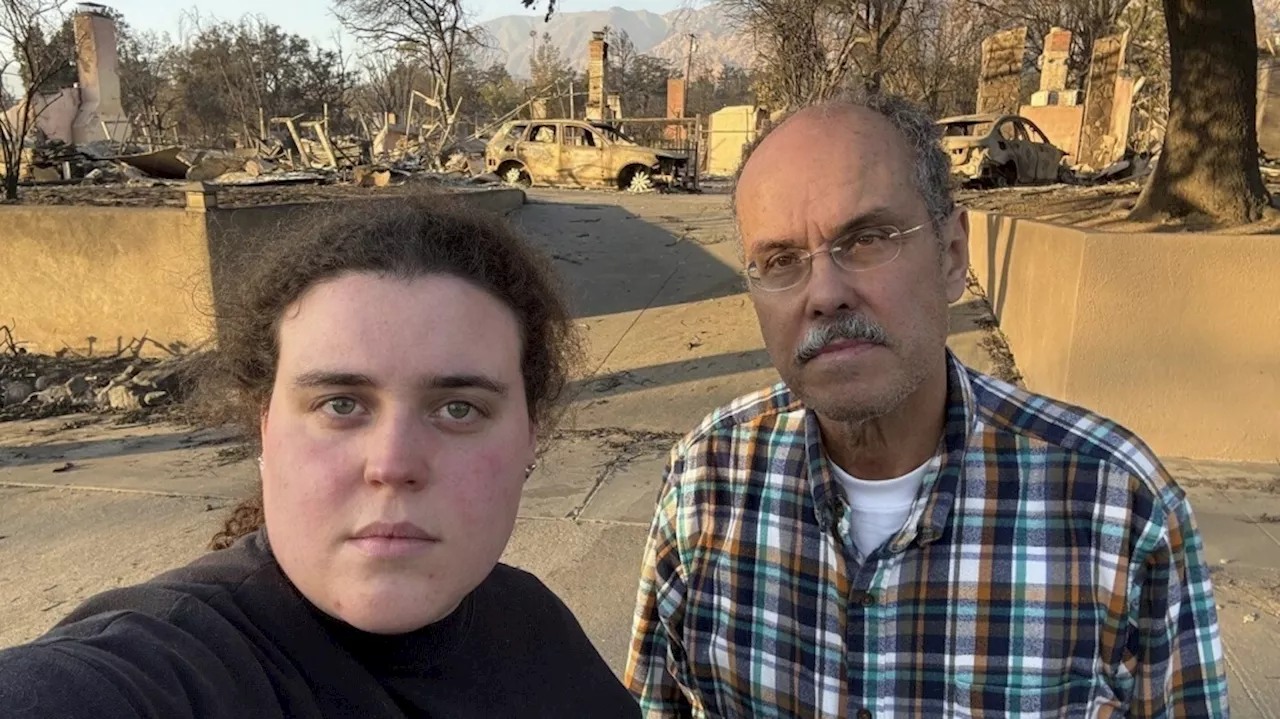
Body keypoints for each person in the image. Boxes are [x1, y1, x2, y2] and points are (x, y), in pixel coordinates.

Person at [625, 93, 1227, 717]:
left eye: (867, 239)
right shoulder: (707, 482)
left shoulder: (1114, 508)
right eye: (780, 261)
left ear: (952, 256)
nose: (825, 294)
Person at [0, 197, 640, 718]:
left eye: (458, 408)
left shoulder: (532, 625)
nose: (392, 463)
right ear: (265, 429)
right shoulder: (168, 666)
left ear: (532, 436)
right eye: (341, 404)